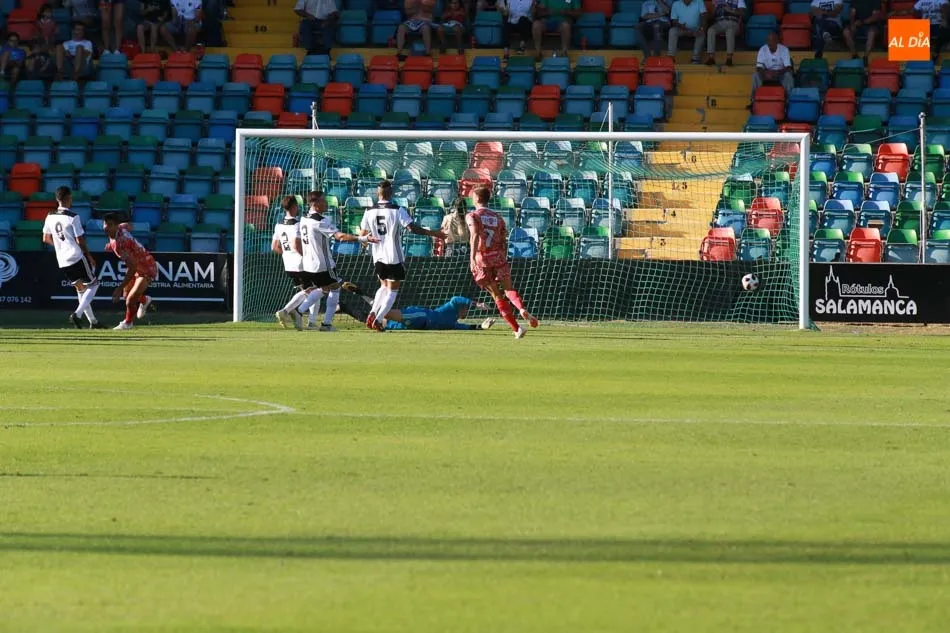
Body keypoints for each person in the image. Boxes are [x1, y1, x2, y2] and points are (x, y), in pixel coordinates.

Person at [359, 180, 447, 331]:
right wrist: (433, 233)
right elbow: (412, 229)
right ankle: (378, 320)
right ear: (391, 193)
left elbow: (362, 234)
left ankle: (373, 313)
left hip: (377, 256)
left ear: (377, 194)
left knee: (383, 285)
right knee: (393, 290)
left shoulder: (369, 211)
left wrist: (366, 242)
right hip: (393, 255)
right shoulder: (397, 209)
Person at [292, 193, 377, 331]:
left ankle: (304, 313)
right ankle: (314, 318)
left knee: (325, 288)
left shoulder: (304, 218)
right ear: (316, 203)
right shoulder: (321, 221)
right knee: (335, 287)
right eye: (323, 201)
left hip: (309, 264)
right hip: (323, 264)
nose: (326, 203)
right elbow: (340, 237)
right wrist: (363, 239)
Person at [465, 186, 538, 339]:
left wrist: (471, 259)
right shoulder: (498, 217)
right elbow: (503, 240)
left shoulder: (472, 215)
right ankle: (521, 308)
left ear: (477, 199)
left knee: (496, 295)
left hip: (482, 259)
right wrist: (502, 258)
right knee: (508, 289)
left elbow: (474, 236)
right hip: (498, 257)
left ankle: (517, 328)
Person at [42, 186, 103, 330]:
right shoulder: (73, 217)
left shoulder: (49, 215)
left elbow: (45, 238)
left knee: (81, 290)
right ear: (69, 198)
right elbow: (79, 240)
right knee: (94, 284)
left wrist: (59, 245)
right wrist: (88, 255)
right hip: (75, 256)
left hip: (62, 259)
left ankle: (93, 322)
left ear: (57, 199)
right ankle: (77, 314)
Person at [103, 214, 158, 330]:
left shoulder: (120, 244)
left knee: (130, 300)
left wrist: (119, 287)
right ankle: (145, 300)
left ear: (116, 226)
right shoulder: (121, 228)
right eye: (105, 224)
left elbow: (132, 268)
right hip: (135, 265)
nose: (106, 227)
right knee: (127, 295)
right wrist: (111, 245)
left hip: (146, 267)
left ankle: (128, 323)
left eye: (110, 225)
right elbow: (129, 226)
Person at [271, 195, 316, 330]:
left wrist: (287, 253)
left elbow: (274, 247)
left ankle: (301, 321)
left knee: (308, 291)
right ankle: (286, 311)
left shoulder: (279, 225)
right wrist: (306, 256)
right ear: (295, 206)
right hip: (300, 263)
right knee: (317, 289)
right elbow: (296, 245)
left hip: (288, 263)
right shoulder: (298, 224)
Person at [705, 0, 746, 66]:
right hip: (720, 23)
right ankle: (711, 57)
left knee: (729, 31)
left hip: (733, 23)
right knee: (710, 30)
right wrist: (710, 11)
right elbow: (712, 15)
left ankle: (729, 58)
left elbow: (743, 13)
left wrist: (731, 10)